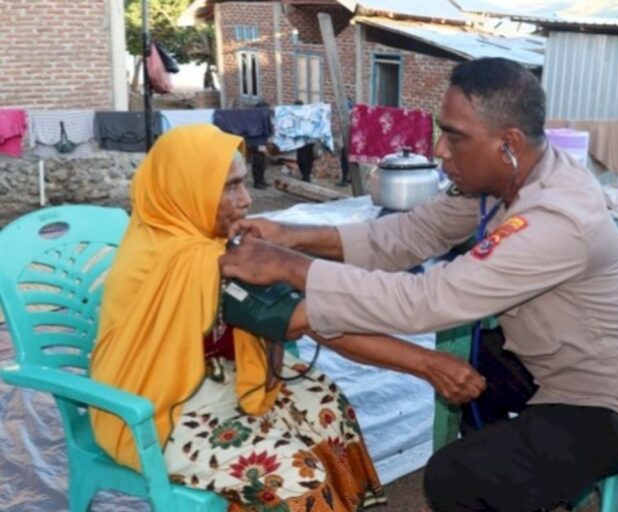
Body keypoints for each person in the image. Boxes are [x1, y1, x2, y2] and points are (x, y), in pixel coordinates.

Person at [218, 58, 618, 512]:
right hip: (567, 365)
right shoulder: (506, 178)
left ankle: (524, 477)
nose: (440, 150)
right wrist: (291, 237)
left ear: (507, 142)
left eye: (454, 136)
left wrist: (289, 267)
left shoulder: (558, 219)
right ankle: (532, 481)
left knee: (454, 478)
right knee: (473, 366)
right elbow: (406, 235)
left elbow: (430, 300)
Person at [89, 124, 485, 512]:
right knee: (295, 476)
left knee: (329, 409)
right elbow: (309, 318)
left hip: (216, 377)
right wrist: (427, 363)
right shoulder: (195, 259)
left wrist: (294, 263)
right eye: (229, 187)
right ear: (186, 191)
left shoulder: (203, 243)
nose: (246, 200)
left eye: (244, 182)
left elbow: (312, 310)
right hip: (156, 409)